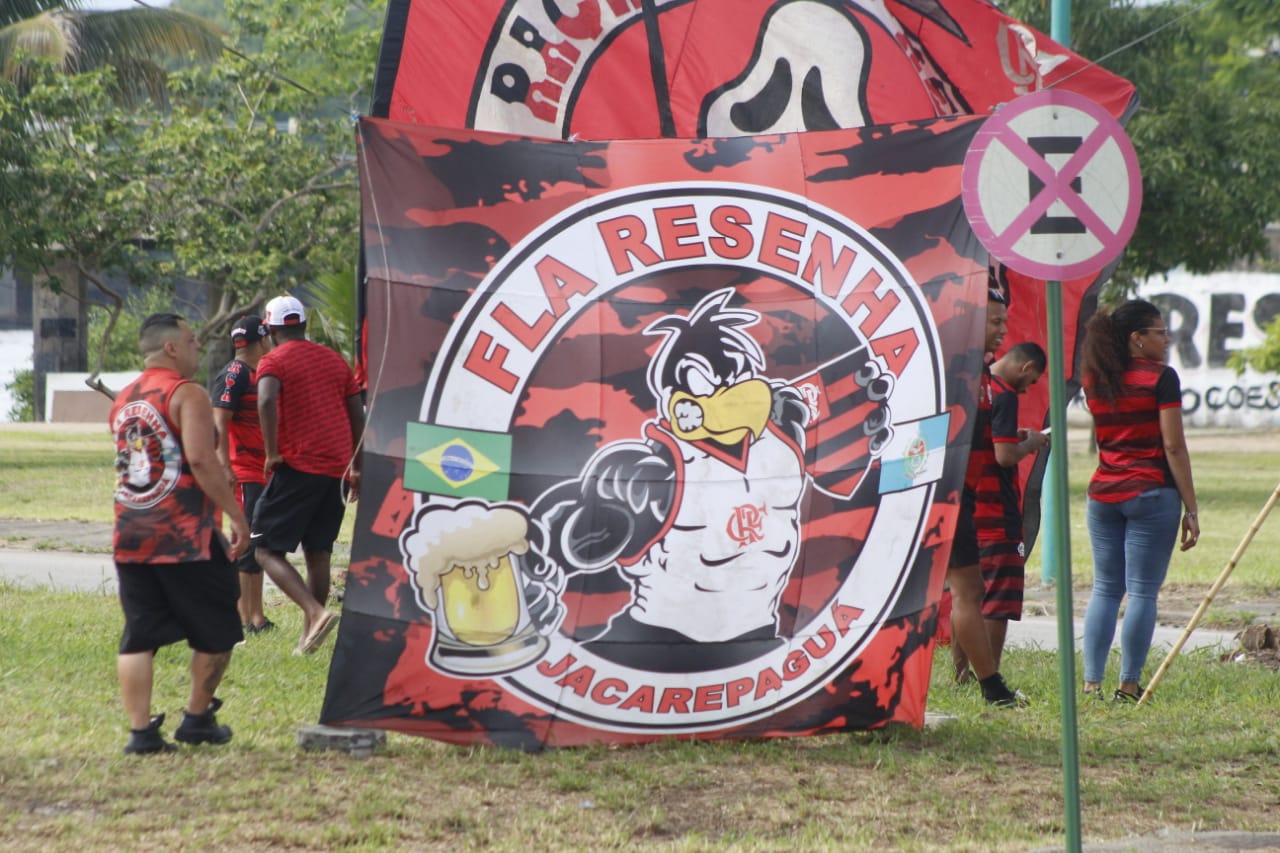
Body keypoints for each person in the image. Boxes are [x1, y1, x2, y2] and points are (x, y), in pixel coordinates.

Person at [110, 313, 250, 754]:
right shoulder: (186, 392)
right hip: (186, 534)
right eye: (192, 340)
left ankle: (140, 733)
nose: (198, 347)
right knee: (218, 628)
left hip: (131, 531)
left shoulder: (123, 398)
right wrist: (237, 515)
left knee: (139, 634)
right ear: (171, 348)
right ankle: (196, 718)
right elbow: (202, 460)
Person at [1080, 299, 1199, 703]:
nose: (1167, 339)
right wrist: (1192, 507)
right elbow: (1173, 445)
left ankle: (1091, 684)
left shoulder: (1095, 378)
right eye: (1160, 332)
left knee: (1106, 590)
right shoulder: (1162, 378)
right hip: (1151, 492)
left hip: (1103, 494)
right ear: (1138, 339)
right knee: (1143, 592)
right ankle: (1128, 685)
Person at [251, 295, 364, 655]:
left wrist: (271, 452)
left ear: (269, 330)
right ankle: (308, 639)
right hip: (336, 471)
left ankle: (315, 613)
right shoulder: (334, 360)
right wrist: (357, 466)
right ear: (304, 325)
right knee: (319, 552)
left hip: (298, 466)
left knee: (265, 550)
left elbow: (266, 400)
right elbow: (357, 414)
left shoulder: (273, 360)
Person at [947, 286, 1031, 707]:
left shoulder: (980, 378)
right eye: (994, 321)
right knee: (968, 593)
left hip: (962, 501)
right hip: (947, 499)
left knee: (970, 591)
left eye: (1003, 320)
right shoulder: (954, 374)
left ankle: (985, 684)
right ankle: (991, 686)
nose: (1003, 330)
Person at [952, 342, 1049, 680]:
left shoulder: (975, 386)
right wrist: (1032, 443)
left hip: (969, 504)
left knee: (967, 596)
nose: (1029, 388)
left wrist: (1015, 437)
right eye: (1033, 380)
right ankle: (988, 675)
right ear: (1025, 367)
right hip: (998, 512)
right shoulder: (1004, 394)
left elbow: (992, 442)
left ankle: (960, 673)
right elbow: (1004, 457)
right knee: (1000, 598)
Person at [211, 314, 275, 636]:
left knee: (257, 541)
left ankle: (255, 615)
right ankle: (243, 615)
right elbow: (219, 422)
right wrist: (225, 467)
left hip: (260, 471)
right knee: (246, 542)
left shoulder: (255, 373)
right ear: (262, 339)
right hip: (244, 471)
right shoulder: (235, 373)